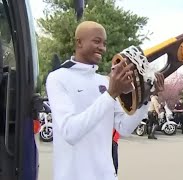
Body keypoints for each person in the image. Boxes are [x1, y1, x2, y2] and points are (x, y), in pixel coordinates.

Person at [46, 21, 164, 180]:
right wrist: (110, 94)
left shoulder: (104, 82)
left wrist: (145, 98)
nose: (102, 47)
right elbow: (70, 132)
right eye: (97, 41)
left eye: (104, 43)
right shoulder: (57, 78)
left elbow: (124, 128)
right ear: (79, 42)